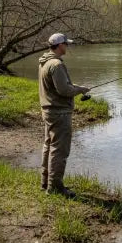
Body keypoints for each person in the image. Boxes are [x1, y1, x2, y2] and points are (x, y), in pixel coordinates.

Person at [38, 33, 90, 197]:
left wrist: (79, 87)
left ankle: (46, 182)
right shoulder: (56, 64)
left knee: (49, 146)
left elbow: (60, 86)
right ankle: (55, 188)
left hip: (48, 111)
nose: (67, 46)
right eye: (66, 44)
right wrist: (78, 90)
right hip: (59, 112)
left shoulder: (44, 62)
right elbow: (64, 90)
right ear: (60, 45)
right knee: (59, 151)